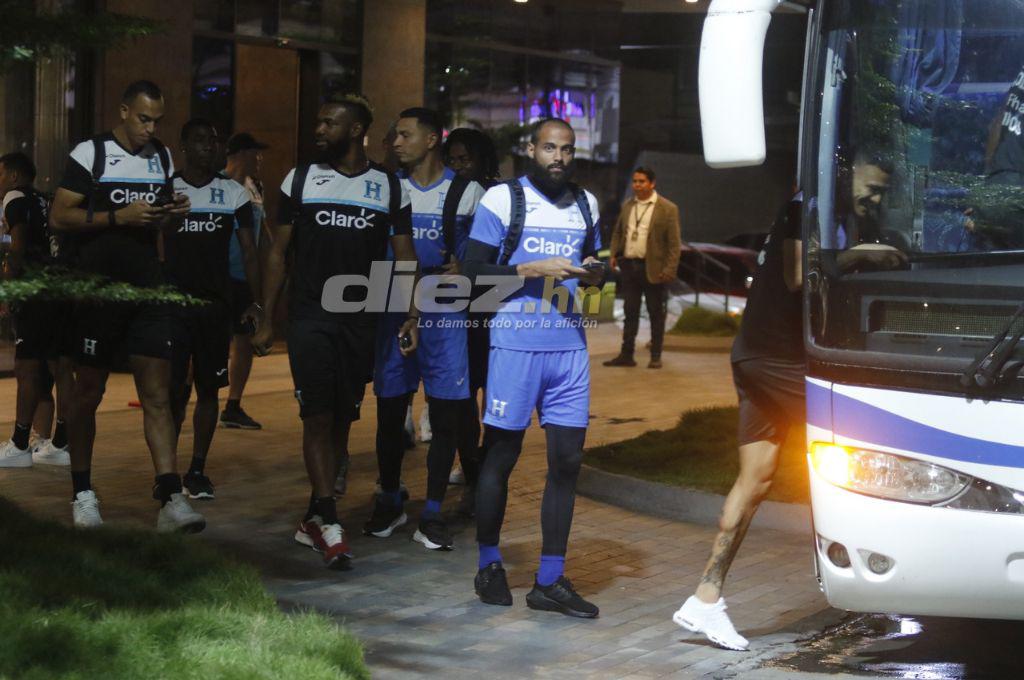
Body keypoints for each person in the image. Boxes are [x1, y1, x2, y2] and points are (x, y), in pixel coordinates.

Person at [251, 93, 418, 569]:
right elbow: (278, 253)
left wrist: (411, 315)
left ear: (356, 129)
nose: (319, 130)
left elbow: (404, 257)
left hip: (360, 321)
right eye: (319, 123)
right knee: (317, 415)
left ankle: (314, 517)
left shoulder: (387, 185)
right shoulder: (300, 178)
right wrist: (267, 317)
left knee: (343, 416)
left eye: (329, 124)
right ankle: (328, 519)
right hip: (310, 318)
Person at [49, 80, 206, 532]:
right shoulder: (90, 153)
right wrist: (120, 216)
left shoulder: (161, 156)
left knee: (158, 395)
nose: (150, 128)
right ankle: (82, 492)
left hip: (147, 290)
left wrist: (171, 214)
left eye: (157, 120)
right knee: (88, 393)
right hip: (99, 292)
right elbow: (60, 216)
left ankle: (171, 498)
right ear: (122, 111)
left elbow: (158, 224)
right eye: (143, 119)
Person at [464, 117, 604, 618]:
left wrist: (597, 274)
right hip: (515, 347)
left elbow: (595, 264)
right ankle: (489, 564)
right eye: (549, 148)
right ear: (531, 149)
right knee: (500, 457)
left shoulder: (587, 204)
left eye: (567, 149)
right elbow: (472, 273)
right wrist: (529, 268)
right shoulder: (503, 200)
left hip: (569, 349)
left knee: (566, 463)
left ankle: (549, 581)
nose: (559, 158)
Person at [672, 194, 804, 651]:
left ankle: (705, 598)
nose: (873, 194)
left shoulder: (796, 206)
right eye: (872, 183)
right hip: (778, 359)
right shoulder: (807, 210)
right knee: (869, 432)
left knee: (756, 479)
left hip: (753, 355)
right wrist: (872, 254)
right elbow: (798, 276)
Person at [366, 107, 486, 549]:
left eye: (404, 135)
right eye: (394, 135)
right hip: (393, 298)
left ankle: (433, 511)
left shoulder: (468, 191)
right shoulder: (385, 188)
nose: (395, 143)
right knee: (390, 405)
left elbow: (492, 250)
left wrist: (469, 265)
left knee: (449, 408)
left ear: (432, 140)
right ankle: (390, 495)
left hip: (446, 306)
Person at [165, 119, 258, 500]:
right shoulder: (166, 190)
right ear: (184, 145)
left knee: (208, 389)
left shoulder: (234, 194)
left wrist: (256, 301)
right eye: (199, 140)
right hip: (173, 306)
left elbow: (250, 252)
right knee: (172, 393)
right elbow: (152, 241)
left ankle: (197, 469)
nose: (208, 146)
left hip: (215, 307)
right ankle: (166, 471)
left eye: (213, 140)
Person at [0, 152, 71, 467]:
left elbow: (18, 246)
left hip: (34, 291)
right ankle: (60, 442)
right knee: (56, 369)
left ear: (14, 176)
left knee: (26, 367)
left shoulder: (14, 197)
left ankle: (18, 445)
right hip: (59, 290)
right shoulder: (45, 199)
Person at [443, 127, 501, 494]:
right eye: (453, 160)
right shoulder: (452, 191)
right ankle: (471, 459)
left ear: (482, 160)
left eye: (466, 160)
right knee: (465, 388)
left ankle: (484, 460)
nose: (459, 167)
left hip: (490, 300)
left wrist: (468, 267)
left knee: (489, 388)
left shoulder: (496, 195)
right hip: (459, 302)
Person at [604, 167, 682, 369]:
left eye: (641, 181)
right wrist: (614, 253)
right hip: (629, 266)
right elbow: (618, 232)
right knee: (630, 311)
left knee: (656, 313)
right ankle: (626, 354)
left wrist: (670, 269)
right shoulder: (628, 205)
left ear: (652, 183)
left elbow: (674, 244)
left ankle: (655, 355)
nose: (637, 185)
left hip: (653, 268)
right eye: (635, 181)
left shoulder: (667, 208)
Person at [220, 132, 269, 430]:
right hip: (218, 275)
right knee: (207, 340)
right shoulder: (217, 184)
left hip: (244, 277)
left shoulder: (256, 188)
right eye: (255, 153)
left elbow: (264, 230)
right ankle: (185, 395)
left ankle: (233, 405)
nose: (259, 158)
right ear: (240, 154)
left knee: (244, 340)